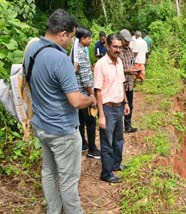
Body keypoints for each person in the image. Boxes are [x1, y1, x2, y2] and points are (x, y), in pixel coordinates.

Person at [24, 9, 97, 214]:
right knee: (68, 179)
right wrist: (90, 99)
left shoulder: (33, 49)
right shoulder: (60, 59)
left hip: (41, 125)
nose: (70, 42)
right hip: (62, 130)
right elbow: (75, 100)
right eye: (71, 37)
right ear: (62, 34)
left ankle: (54, 211)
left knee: (48, 172)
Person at [94, 33, 130, 183]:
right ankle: (106, 173)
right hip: (107, 109)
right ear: (107, 46)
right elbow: (98, 90)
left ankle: (116, 164)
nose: (118, 50)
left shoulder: (119, 62)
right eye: (115, 46)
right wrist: (101, 115)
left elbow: (121, 83)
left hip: (118, 106)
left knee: (118, 139)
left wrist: (126, 102)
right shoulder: (101, 65)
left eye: (120, 47)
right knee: (106, 141)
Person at [74, 26, 101, 158]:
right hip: (84, 94)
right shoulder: (81, 54)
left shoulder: (75, 51)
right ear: (83, 39)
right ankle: (92, 149)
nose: (91, 40)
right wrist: (92, 96)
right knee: (91, 121)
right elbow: (86, 79)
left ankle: (83, 144)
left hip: (77, 94)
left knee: (80, 121)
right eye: (89, 38)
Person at [119, 29, 138, 133]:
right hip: (120, 84)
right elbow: (117, 69)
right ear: (121, 39)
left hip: (129, 83)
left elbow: (132, 64)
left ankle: (128, 126)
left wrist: (134, 73)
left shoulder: (130, 50)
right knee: (119, 106)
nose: (128, 43)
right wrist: (127, 71)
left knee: (130, 105)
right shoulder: (118, 52)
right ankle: (118, 127)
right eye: (126, 40)